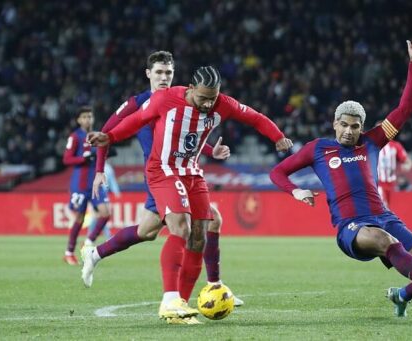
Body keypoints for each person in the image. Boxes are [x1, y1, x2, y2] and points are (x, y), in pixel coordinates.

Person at [270, 38, 412, 318]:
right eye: (344, 125)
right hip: (352, 227)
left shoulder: (373, 141)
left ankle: (401, 295)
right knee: (385, 242)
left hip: (385, 217)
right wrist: (296, 191)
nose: (349, 131)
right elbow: (277, 172)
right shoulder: (318, 149)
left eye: (355, 126)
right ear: (335, 123)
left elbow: (405, 109)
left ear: (362, 127)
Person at [88, 65, 292, 324]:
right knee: (179, 226)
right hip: (162, 170)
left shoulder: (223, 104)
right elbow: (137, 120)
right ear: (191, 88)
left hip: (192, 172)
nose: (208, 103)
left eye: (213, 97)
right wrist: (111, 136)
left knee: (198, 237)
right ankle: (169, 299)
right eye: (203, 97)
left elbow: (256, 117)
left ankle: (180, 306)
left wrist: (278, 137)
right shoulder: (165, 99)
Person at [62, 106, 111, 265]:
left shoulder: (98, 135)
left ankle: (88, 242)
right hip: (80, 183)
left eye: (89, 116)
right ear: (78, 120)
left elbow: (102, 154)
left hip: (96, 182)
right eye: (84, 117)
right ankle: (69, 252)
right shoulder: (75, 137)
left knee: (105, 212)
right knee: (79, 218)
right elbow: (67, 159)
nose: (87, 119)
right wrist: (84, 158)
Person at [377, 136, 412, 208]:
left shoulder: (395, 145)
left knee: (390, 209)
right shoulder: (372, 146)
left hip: (391, 184)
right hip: (378, 183)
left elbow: (408, 161)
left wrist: (407, 166)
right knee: (382, 208)